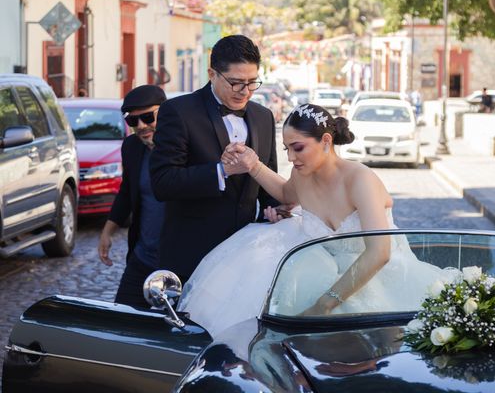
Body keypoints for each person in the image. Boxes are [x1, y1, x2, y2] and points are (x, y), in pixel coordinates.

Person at [178, 103, 445, 337]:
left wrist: (324, 304)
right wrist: (252, 164)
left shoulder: (360, 179)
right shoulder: (302, 176)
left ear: (326, 141)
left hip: (380, 283)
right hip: (320, 272)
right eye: (287, 150)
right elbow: (285, 193)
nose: (291, 158)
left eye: (298, 148)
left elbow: (379, 253)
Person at [149, 35, 280, 283]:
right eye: (236, 82)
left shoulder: (264, 117)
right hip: (192, 257)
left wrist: (275, 208)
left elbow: (266, 183)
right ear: (212, 74)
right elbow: (162, 183)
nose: (245, 91)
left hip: (246, 258)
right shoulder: (178, 112)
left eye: (253, 82)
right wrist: (222, 171)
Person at [98, 85, 167, 308]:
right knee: (123, 320)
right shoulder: (131, 147)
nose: (141, 126)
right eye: (133, 121)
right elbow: (127, 191)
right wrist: (107, 232)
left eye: (148, 117)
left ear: (166, 113)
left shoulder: (187, 147)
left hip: (179, 262)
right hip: (142, 257)